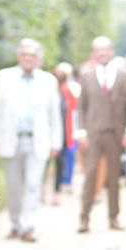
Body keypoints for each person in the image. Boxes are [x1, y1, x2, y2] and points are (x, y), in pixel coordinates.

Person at [0, 38, 62, 242]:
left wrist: (56, 142)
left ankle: (28, 225)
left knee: (33, 184)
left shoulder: (48, 81)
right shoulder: (3, 77)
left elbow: (54, 114)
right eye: (24, 54)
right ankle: (16, 222)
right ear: (19, 57)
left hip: (38, 141)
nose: (28, 58)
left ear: (38, 59)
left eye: (32, 55)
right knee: (14, 185)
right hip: (11, 140)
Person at [77, 36, 126, 233]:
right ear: (93, 53)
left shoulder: (125, 76)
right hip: (93, 133)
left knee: (113, 177)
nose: (102, 53)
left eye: (106, 50)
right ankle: (84, 217)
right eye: (98, 50)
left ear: (112, 51)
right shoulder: (85, 76)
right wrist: (81, 131)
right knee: (91, 174)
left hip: (115, 133)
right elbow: (81, 107)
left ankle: (114, 216)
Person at [52, 62, 78, 205]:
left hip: (63, 133)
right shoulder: (49, 91)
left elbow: (73, 112)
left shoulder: (68, 92)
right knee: (47, 164)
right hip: (50, 133)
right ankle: (43, 190)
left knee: (60, 163)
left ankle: (56, 191)